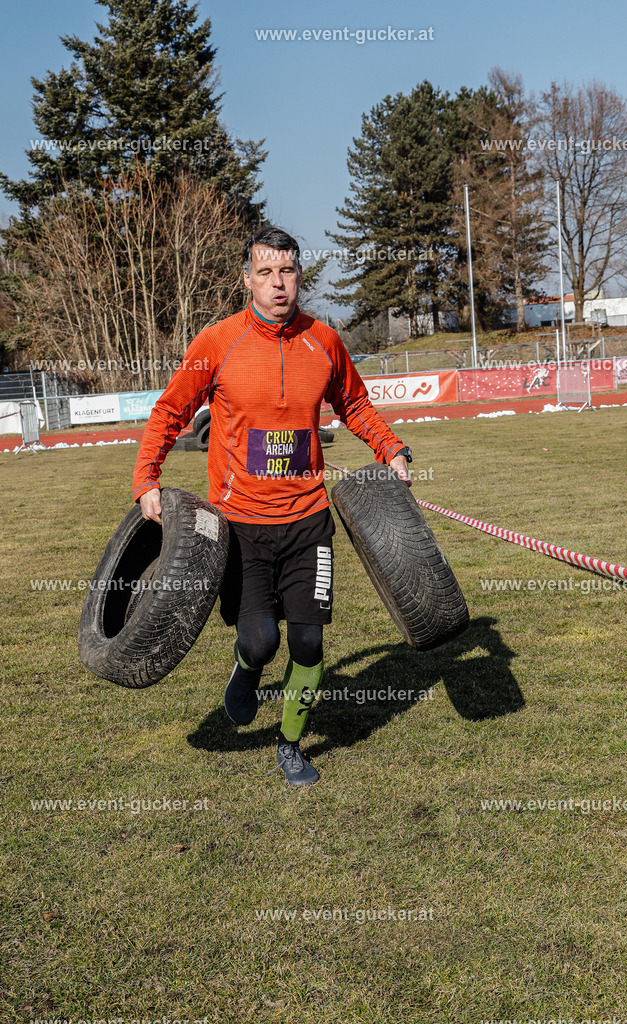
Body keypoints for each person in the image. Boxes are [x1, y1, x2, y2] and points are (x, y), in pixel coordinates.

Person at [132, 225, 412, 786]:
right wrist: (147, 478)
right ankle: (246, 668)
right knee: (261, 641)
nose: (278, 283)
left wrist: (392, 449)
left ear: (299, 275)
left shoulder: (323, 341)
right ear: (247, 280)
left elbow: (355, 404)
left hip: (308, 521)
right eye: (265, 272)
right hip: (241, 525)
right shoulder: (217, 343)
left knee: (308, 641)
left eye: (287, 271)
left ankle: (289, 744)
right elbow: (170, 411)